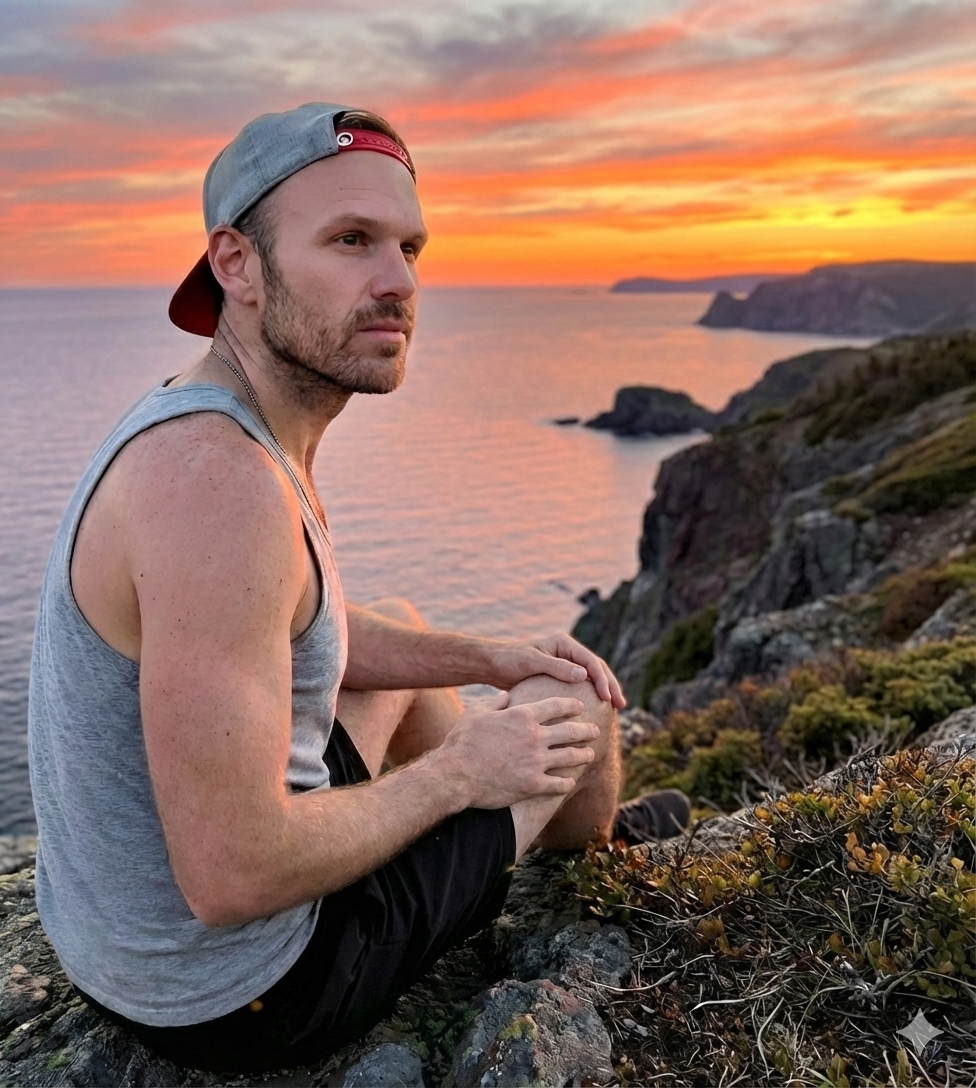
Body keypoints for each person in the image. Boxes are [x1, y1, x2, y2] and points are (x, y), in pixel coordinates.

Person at [27, 102, 690, 1074]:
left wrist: (487, 657)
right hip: (239, 990)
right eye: (349, 241)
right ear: (236, 266)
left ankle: (510, 823)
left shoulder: (205, 416)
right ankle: (590, 856)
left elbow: (303, 626)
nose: (397, 282)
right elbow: (232, 870)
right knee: (573, 704)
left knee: (428, 646)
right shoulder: (220, 492)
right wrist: (466, 772)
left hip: (118, 935)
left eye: (408, 246)